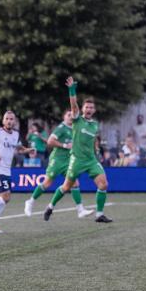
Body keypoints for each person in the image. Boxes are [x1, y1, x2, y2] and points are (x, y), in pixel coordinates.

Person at [43, 77, 112, 223]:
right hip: (76, 159)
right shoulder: (77, 119)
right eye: (86, 107)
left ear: (94, 110)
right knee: (67, 186)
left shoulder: (94, 125)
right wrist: (72, 89)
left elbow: (93, 140)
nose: (89, 109)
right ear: (82, 109)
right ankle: (50, 206)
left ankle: (99, 215)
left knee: (103, 184)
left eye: (91, 107)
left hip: (91, 160)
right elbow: (73, 104)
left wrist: (97, 151)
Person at [24, 110, 94, 218]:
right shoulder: (61, 128)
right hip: (57, 160)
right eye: (68, 115)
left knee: (74, 183)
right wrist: (65, 146)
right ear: (64, 117)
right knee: (47, 183)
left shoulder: (76, 128)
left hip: (68, 161)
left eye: (72, 115)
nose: (71, 117)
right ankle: (30, 202)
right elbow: (50, 142)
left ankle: (80, 210)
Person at [0, 111, 35, 233]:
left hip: (7, 171)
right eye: (7, 119)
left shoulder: (15, 134)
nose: (9, 121)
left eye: (11, 119)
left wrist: (27, 150)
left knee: (4, 199)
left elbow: (19, 149)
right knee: (5, 198)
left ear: (14, 121)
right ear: (3, 121)